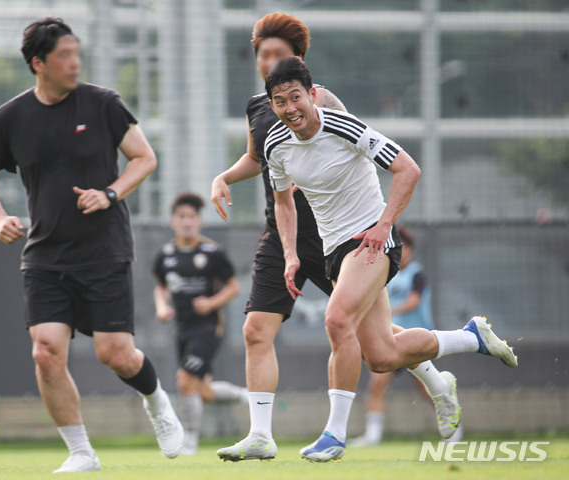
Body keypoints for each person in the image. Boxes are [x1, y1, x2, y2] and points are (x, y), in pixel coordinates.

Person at [214, 13, 460, 462]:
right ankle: (261, 436)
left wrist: (382, 224)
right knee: (255, 329)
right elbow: (259, 160)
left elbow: (363, 160)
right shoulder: (261, 107)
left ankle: (431, 379)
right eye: (262, 56)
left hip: (338, 235)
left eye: (278, 55)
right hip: (283, 233)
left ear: (302, 66)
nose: (269, 62)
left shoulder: (327, 107)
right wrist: (224, 177)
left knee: (370, 339)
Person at [263, 56, 517, 462]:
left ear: (312, 94)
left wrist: (384, 226)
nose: (289, 107)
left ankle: (334, 434)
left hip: (370, 242)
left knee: (336, 319)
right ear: (271, 104)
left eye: (296, 97)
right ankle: (472, 338)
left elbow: (408, 169)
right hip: (334, 253)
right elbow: (283, 203)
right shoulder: (275, 144)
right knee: (381, 356)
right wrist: (291, 254)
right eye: (279, 101)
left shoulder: (342, 125)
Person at [0, 17, 183, 473]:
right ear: (38, 64)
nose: (74, 62)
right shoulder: (11, 118)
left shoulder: (103, 103)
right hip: (45, 255)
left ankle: (156, 399)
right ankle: (81, 452)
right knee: (45, 350)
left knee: (116, 355)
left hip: (103, 250)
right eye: (64, 55)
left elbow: (145, 158)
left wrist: (109, 193)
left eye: (76, 52)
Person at [152, 192, 248, 455]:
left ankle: (190, 440)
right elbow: (161, 287)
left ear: (199, 221)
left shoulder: (212, 252)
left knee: (184, 380)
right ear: (173, 221)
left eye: (192, 217)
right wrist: (162, 306)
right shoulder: (166, 255)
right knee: (202, 391)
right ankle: (244, 396)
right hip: (182, 329)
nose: (187, 222)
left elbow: (233, 288)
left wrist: (211, 303)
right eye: (182, 217)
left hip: (208, 328)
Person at [351, 226, 463, 446]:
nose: (398, 253)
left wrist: (384, 315)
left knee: (427, 388)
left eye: (402, 248)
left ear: (409, 249)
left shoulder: (416, 274)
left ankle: (455, 430)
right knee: (377, 385)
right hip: (389, 340)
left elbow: (414, 301)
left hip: (414, 341)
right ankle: (373, 435)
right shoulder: (386, 274)